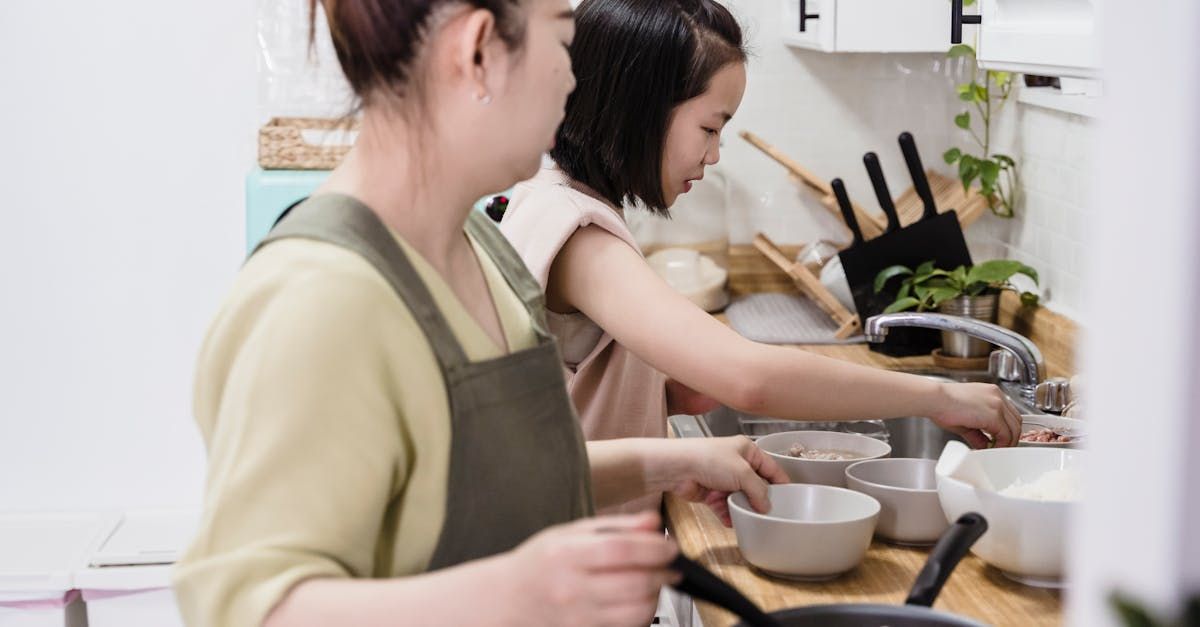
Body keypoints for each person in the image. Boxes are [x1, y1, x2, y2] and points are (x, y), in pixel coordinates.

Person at [171, 1, 787, 625]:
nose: (574, 81)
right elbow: (249, 608)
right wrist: (518, 594)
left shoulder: (479, 248)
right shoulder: (319, 296)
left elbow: (495, 470)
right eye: (560, 42)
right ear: (479, 52)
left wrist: (673, 463)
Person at [499, 0, 1023, 487]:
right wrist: (940, 396)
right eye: (709, 127)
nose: (715, 154)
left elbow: (563, 379)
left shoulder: (548, 196)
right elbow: (751, 379)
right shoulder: (582, 235)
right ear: (639, 107)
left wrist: (658, 390)